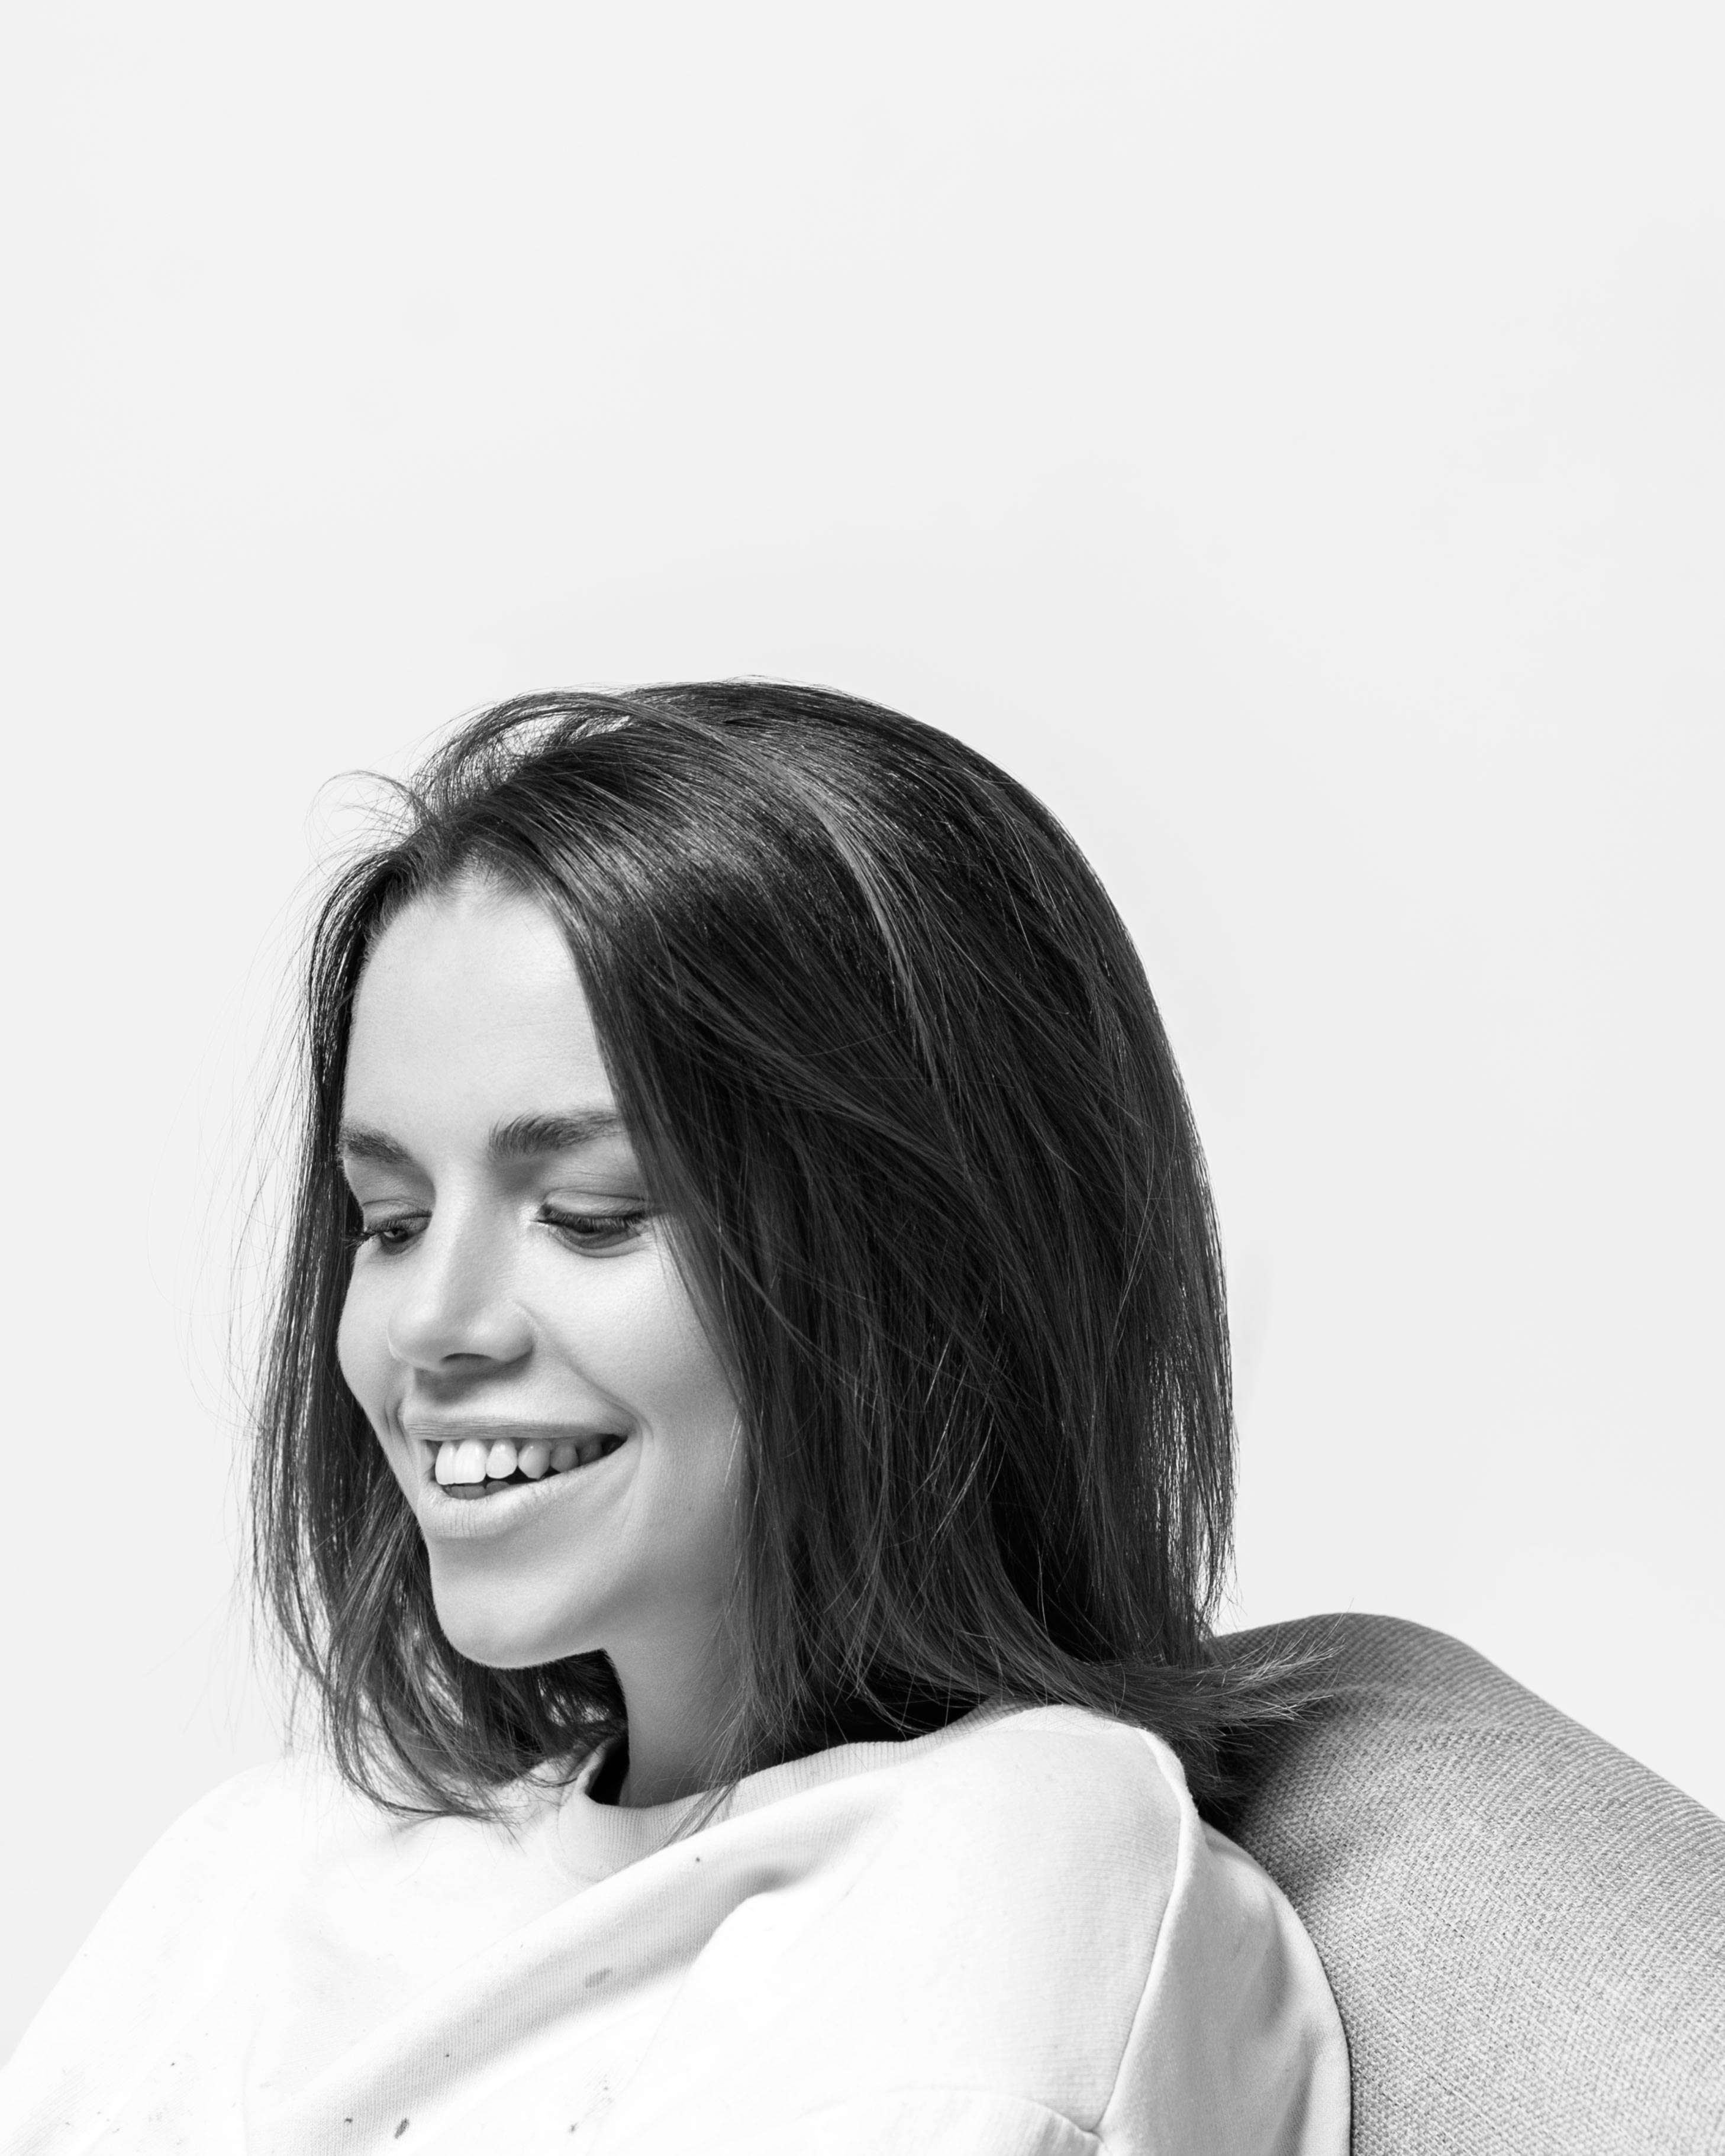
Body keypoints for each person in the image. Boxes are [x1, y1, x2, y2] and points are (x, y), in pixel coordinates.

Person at [1, 682, 1351, 2152]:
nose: (431, 1321)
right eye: (388, 1219)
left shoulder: (1023, 1851)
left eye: (590, 1213)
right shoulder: (264, 1867)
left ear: (929, 1264)